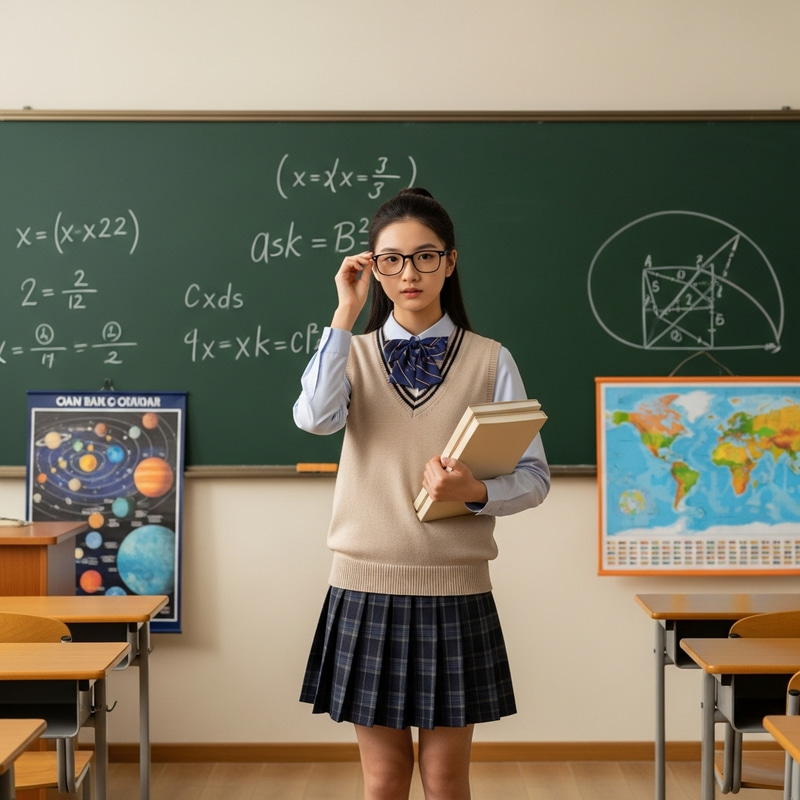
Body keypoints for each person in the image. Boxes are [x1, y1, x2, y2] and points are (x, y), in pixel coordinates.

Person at [293, 187, 550, 800]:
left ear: (450, 262)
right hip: (365, 585)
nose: (409, 273)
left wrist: (476, 490)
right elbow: (314, 418)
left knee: (445, 777)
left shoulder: (491, 361)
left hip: (453, 590)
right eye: (392, 259)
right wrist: (343, 315)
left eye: (425, 256)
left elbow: (535, 478)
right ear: (372, 268)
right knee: (383, 778)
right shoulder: (349, 352)